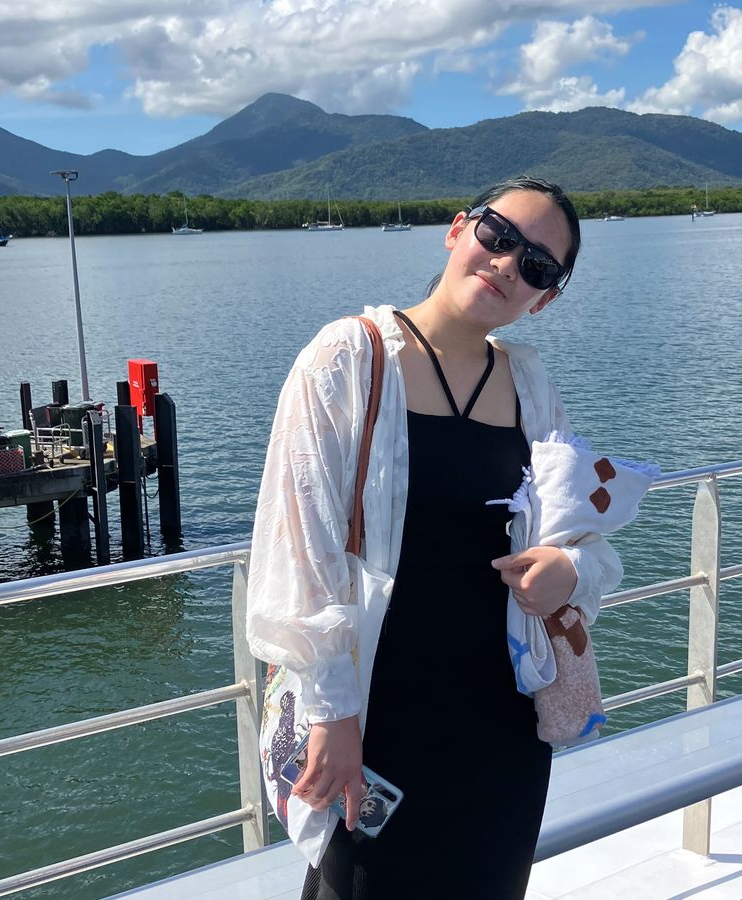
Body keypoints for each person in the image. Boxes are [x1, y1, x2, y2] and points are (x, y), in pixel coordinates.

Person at [246, 176, 623, 899]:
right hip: (375, 717)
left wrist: (569, 570)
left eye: (537, 265)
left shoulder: (530, 388)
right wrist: (332, 715)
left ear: (545, 297)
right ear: (458, 230)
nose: (507, 263)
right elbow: (297, 550)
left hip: (502, 726)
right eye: (498, 235)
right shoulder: (348, 359)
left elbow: (583, 539)